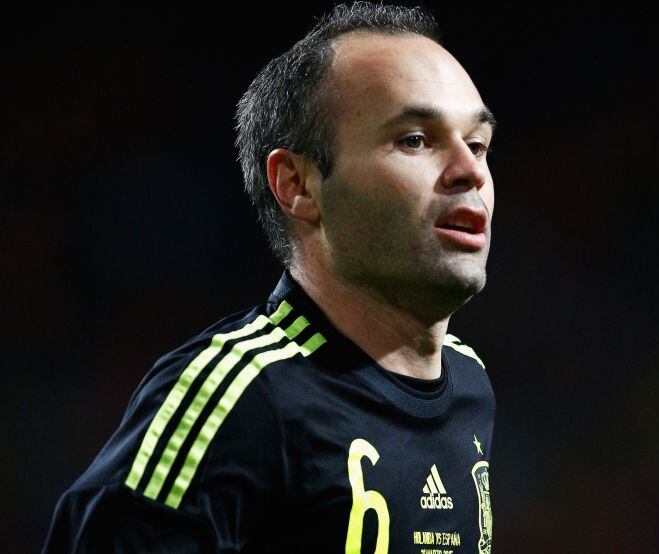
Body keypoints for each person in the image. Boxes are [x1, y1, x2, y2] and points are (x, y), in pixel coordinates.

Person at [43, 2, 496, 552]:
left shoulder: (469, 382)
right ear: (298, 185)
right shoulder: (236, 397)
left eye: (477, 144)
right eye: (415, 140)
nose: (471, 170)